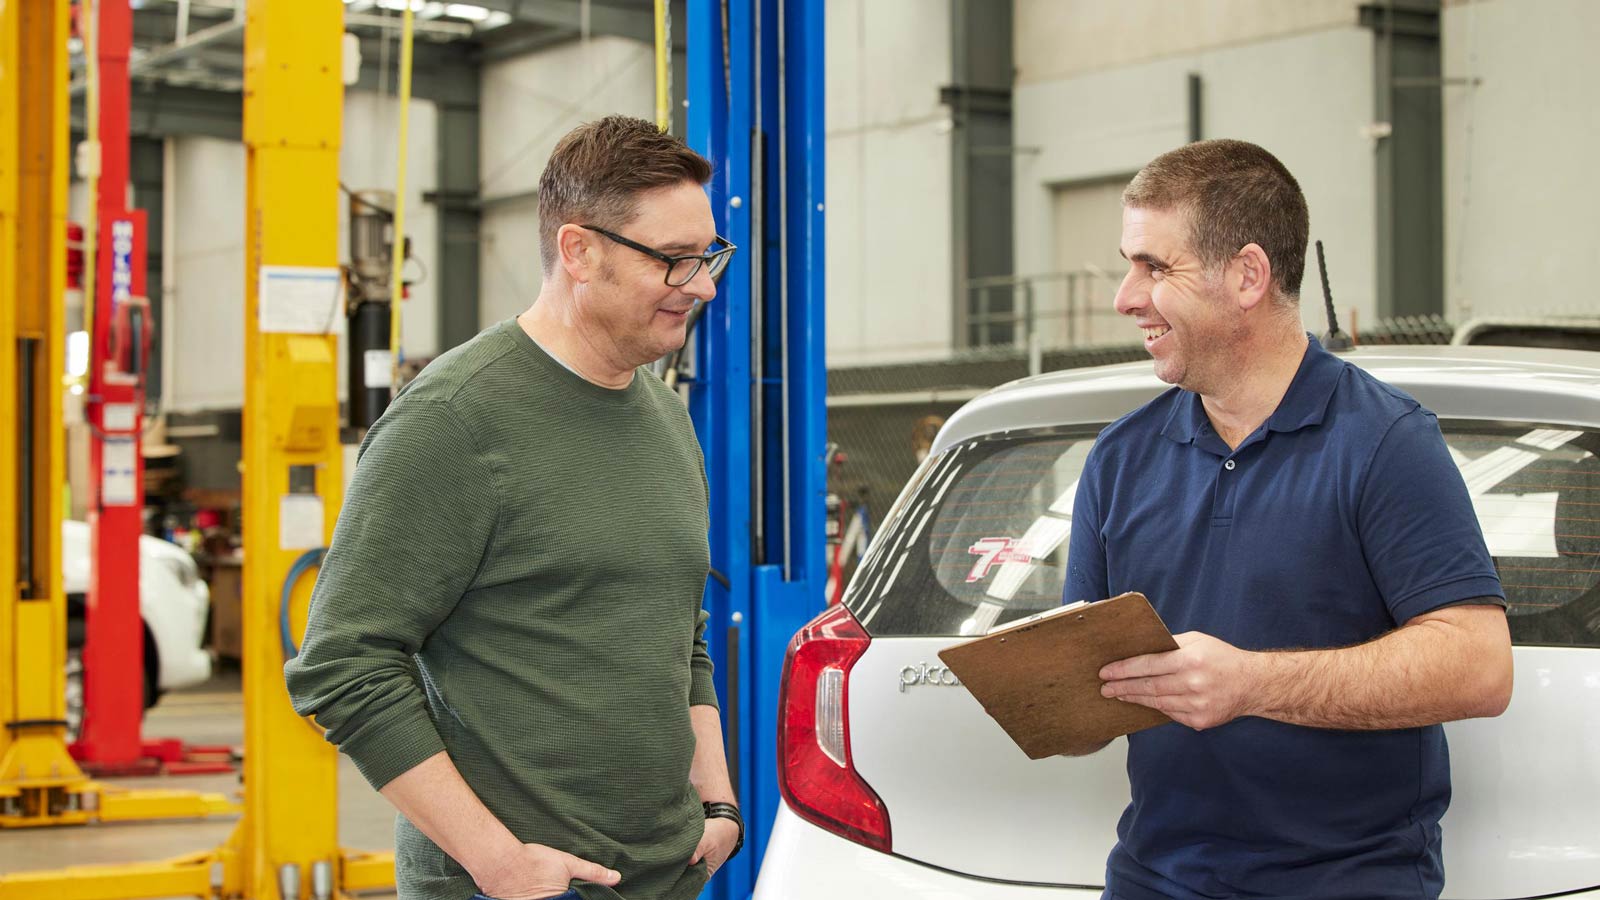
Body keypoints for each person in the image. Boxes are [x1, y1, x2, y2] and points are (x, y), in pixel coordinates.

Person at [285, 115, 742, 900]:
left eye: (708, 256)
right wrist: (497, 861)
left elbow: (681, 631)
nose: (701, 284)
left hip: (671, 875)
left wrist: (719, 804)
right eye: (673, 260)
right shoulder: (454, 419)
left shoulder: (666, 418)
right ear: (578, 251)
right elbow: (342, 665)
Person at [1062, 139, 1513, 900]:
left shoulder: (1384, 443)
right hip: (1154, 881)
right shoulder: (1121, 459)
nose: (1125, 297)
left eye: (1154, 267)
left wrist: (1249, 683)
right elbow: (1083, 684)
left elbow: (1478, 665)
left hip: (1348, 884)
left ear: (1246, 276)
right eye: (1128, 264)